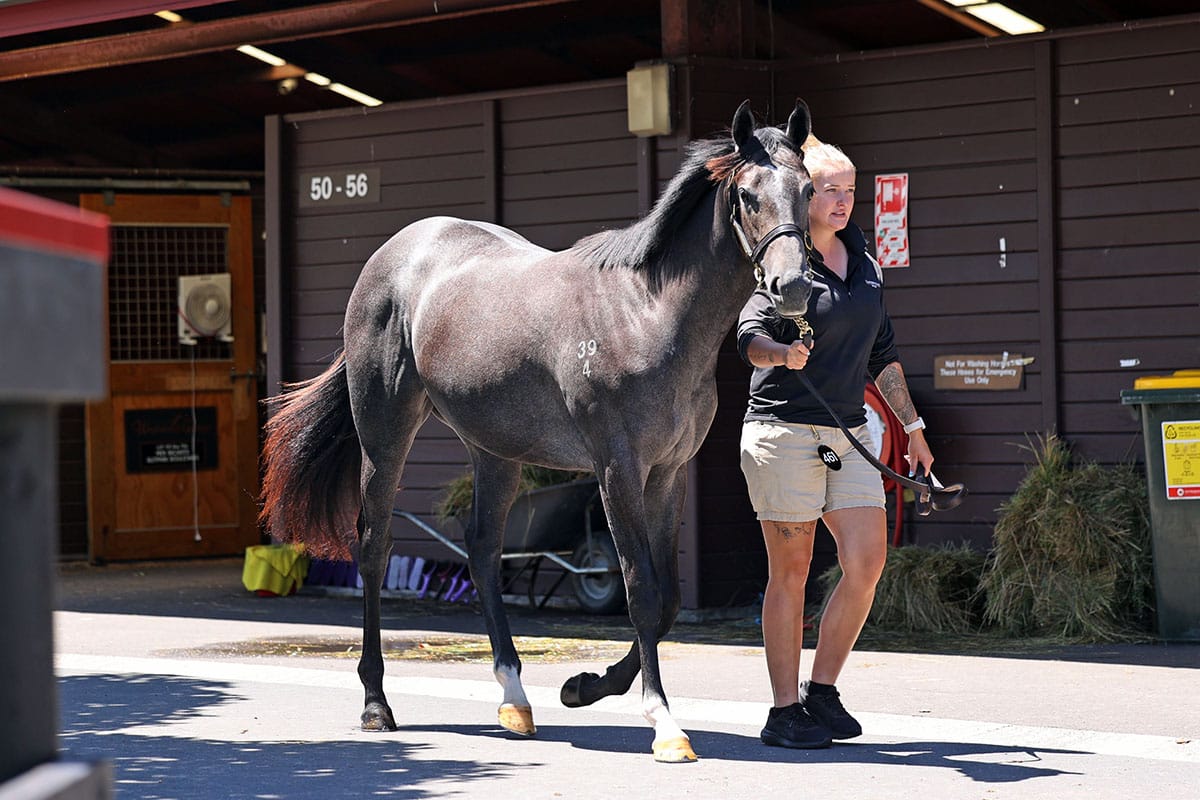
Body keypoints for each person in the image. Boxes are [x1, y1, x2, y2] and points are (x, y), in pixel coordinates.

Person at [737, 134, 934, 749]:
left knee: (867, 560)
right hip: (783, 430)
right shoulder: (786, 261)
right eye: (830, 190)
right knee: (791, 571)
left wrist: (913, 428)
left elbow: (883, 352)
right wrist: (781, 353)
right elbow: (748, 336)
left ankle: (821, 692)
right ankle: (783, 711)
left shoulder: (865, 261)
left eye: (850, 189)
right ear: (804, 196)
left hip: (847, 432)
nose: (843, 200)